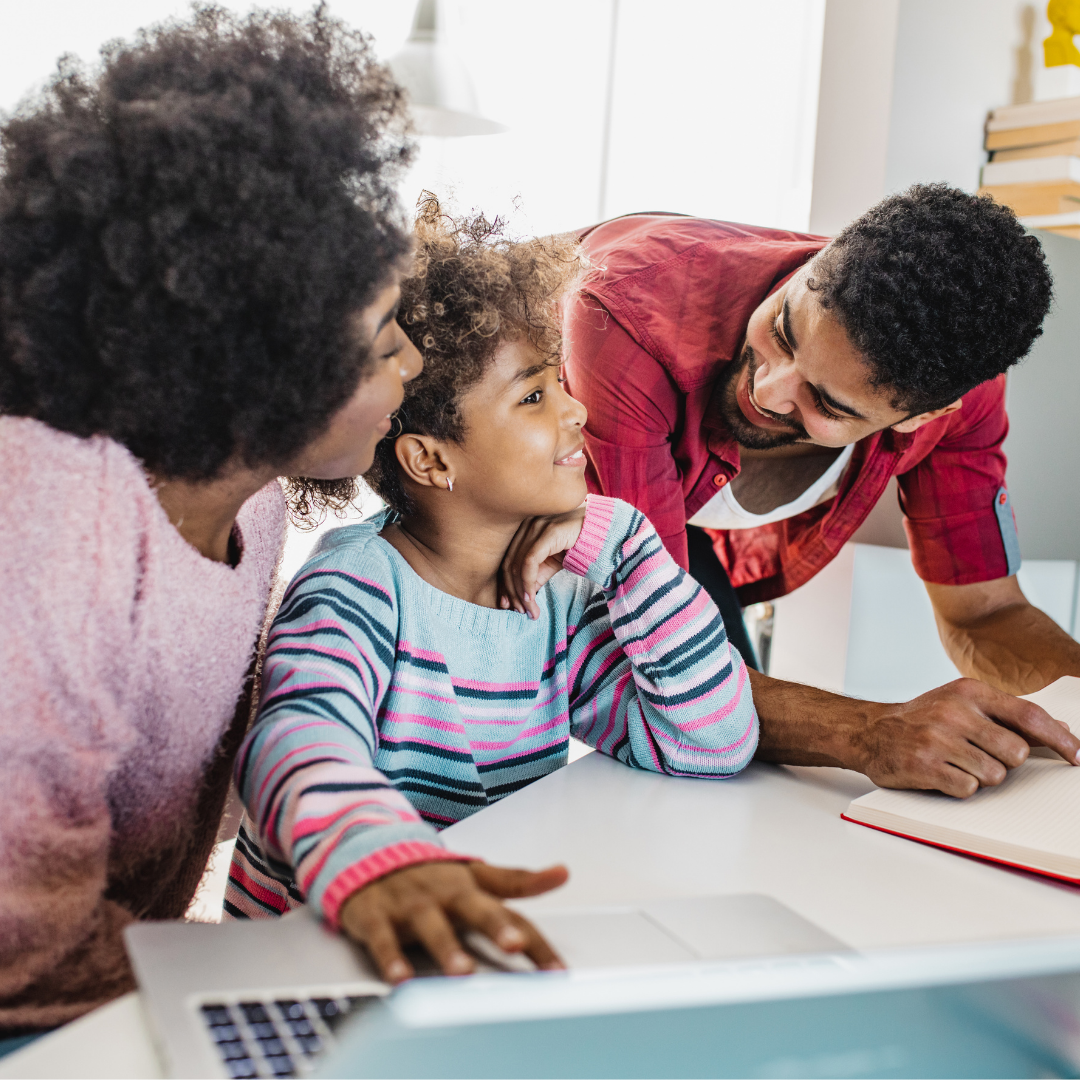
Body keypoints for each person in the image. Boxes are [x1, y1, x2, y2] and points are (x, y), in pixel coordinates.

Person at [0, 6, 422, 1039]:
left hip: (106, 1003)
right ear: (252, 361)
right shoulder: (54, 509)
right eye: (380, 340)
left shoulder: (260, 512)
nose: (414, 359)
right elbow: (19, 947)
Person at [224, 203, 758, 982]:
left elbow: (711, 743)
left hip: (459, 955)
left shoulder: (561, 590)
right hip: (314, 963)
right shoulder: (357, 591)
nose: (577, 410)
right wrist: (380, 862)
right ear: (429, 460)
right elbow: (295, 738)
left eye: (561, 385)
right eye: (534, 397)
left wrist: (628, 542)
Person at [563, 187, 1080, 800]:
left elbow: (986, 613)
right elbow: (661, 656)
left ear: (923, 416)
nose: (769, 390)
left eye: (828, 403)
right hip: (460, 504)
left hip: (668, 549)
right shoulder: (627, 316)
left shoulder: (957, 398)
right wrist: (869, 731)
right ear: (819, 260)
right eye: (783, 330)